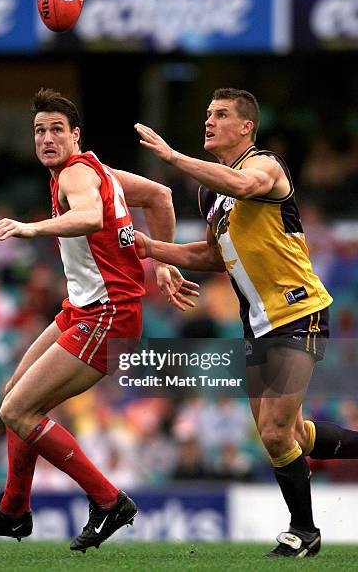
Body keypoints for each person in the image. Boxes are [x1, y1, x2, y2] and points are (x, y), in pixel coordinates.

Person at [0, 88, 198, 552]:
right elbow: (161, 196)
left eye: (57, 130)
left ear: (75, 136)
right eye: (40, 131)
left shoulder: (76, 177)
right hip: (84, 307)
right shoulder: (99, 170)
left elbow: (88, 215)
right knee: (15, 400)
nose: (47, 138)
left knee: (15, 411)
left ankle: (108, 502)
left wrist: (31, 227)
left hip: (107, 315)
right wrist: (164, 263)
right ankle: (13, 510)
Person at [134, 87, 358, 558]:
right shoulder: (208, 193)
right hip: (257, 323)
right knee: (291, 435)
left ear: (246, 127)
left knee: (276, 433)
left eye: (220, 115)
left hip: (298, 309)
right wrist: (153, 249)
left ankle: (304, 533)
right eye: (207, 114)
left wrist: (173, 156)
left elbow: (243, 186)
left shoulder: (265, 166)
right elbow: (212, 254)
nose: (209, 122)